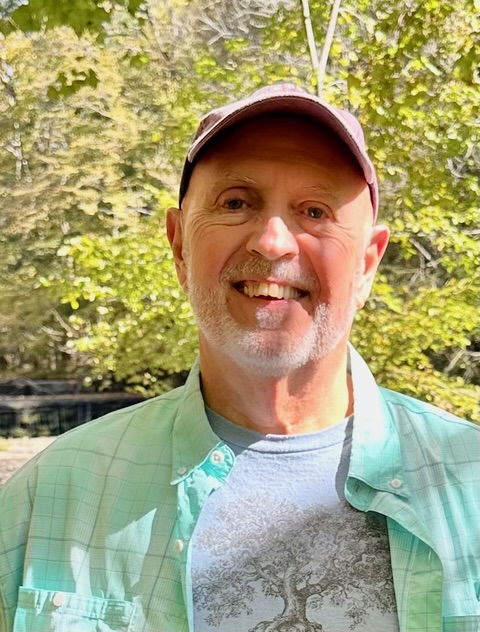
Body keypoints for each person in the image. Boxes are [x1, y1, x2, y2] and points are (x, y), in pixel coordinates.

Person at [0, 84, 479, 632]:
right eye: (236, 202)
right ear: (180, 245)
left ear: (368, 263)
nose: (273, 241)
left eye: (315, 211)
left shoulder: (471, 483)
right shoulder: (50, 497)